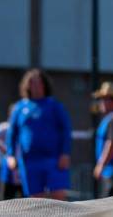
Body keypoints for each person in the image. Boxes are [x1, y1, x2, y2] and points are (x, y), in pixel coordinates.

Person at [6, 69, 72, 200]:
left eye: (39, 83)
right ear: (27, 86)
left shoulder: (54, 106)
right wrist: (11, 155)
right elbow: (12, 133)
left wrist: (65, 153)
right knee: (35, 200)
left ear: (44, 85)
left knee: (58, 197)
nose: (36, 86)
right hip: (29, 161)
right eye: (32, 83)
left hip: (54, 159)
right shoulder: (19, 107)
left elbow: (66, 130)